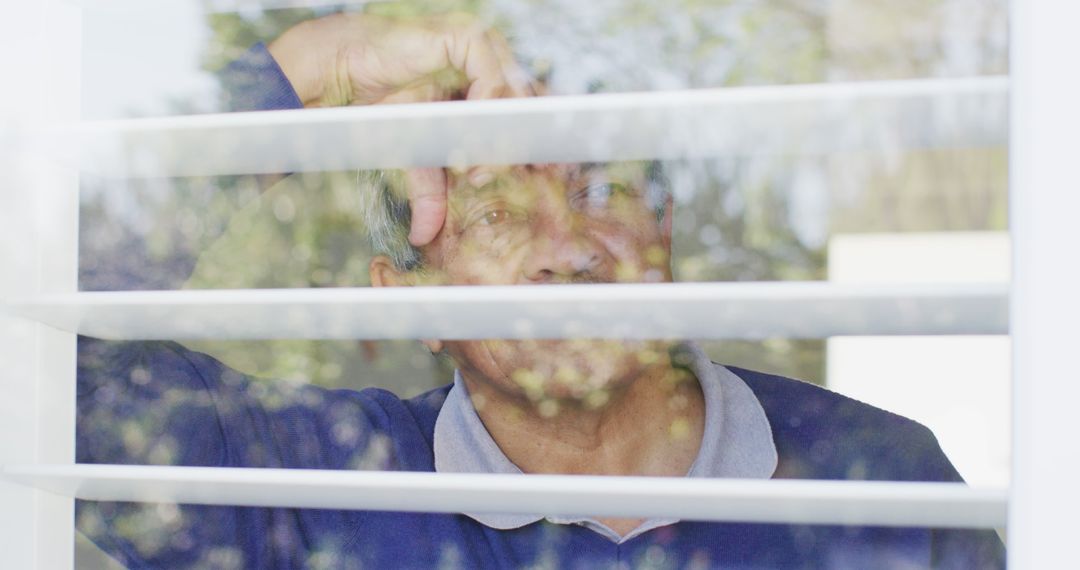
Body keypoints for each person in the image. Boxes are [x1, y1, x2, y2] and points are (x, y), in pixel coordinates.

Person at [75, 12, 1005, 569]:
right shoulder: (315, 485)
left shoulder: (884, 482)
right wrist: (307, 78)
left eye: (598, 189)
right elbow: (45, 366)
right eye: (494, 213)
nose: (565, 250)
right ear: (408, 300)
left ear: (664, 236)